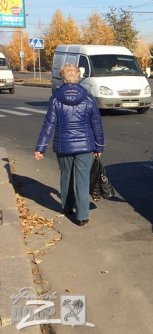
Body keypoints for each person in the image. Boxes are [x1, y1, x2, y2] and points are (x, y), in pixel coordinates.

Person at [35, 63, 104, 226]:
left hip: (63, 146)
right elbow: (96, 123)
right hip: (85, 146)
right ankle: (82, 216)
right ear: (78, 78)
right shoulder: (88, 98)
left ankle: (67, 208)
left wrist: (40, 148)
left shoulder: (55, 99)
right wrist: (98, 146)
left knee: (66, 176)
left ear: (63, 79)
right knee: (82, 178)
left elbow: (49, 124)